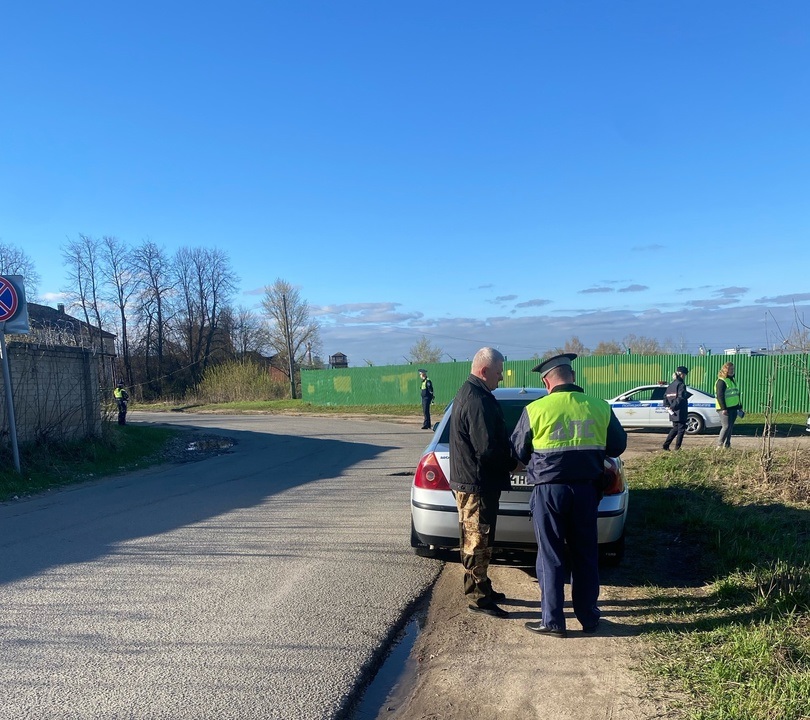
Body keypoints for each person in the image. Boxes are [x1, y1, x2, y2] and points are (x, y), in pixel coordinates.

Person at [511, 353, 627, 637]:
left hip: (549, 492)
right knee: (586, 554)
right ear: (572, 377)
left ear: (546, 382)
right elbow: (617, 446)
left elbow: (517, 451)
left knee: (550, 554)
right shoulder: (599, 406)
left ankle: (553, 622)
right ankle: (589, 618)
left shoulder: (536, 409)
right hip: (587, 490)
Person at [449, 347, 517, 619]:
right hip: (475, 484)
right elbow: (487, 449)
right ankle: (478, 598)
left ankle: (483, 586)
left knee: (482, 538)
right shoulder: (477, 399)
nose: (501, 379)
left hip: (478, 482)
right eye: (499, 373)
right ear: (484, 370)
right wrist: (513, 464)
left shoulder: (476, 394)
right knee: (475, 542)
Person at [715, 362, 744, 448]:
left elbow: (736, 394)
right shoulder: (721, 381)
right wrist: (723, 408)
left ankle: (727, 445)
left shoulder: (732, 380)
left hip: (733, 407)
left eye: (733, 369)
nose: (732, 370)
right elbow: (720, 395)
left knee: (730, 427)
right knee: (726, 426)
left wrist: (739, 406)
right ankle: (719, 445)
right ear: (725, 370)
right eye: (730, 369)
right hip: (724, 408)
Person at [662, 366, 690, 450]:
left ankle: (666, 445)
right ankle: (677, 448)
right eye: (684, 375)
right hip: (680, 410)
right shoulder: (681, 384)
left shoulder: (671, 385)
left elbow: (665, 397)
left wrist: (668, 407)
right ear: (681, 374)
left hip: (672, 411)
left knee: (675, 428)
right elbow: (680, 398)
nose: (685, 377)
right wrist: (673, 406)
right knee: (681, 430)